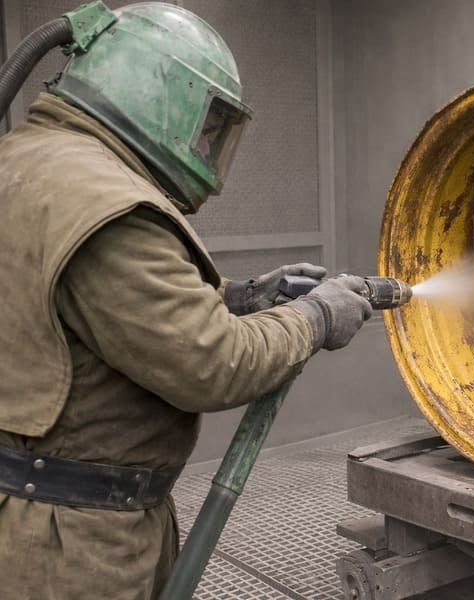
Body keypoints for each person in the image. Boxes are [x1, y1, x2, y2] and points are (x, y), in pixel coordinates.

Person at [0, 3, 372, 598]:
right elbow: (214, 365)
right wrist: (315, 315)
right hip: (73, 545)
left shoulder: (29, 161)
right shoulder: (105, 205)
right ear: (156, 91)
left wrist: (243, 297)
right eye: (207, 124)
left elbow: (101, 316)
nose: (205, 143)